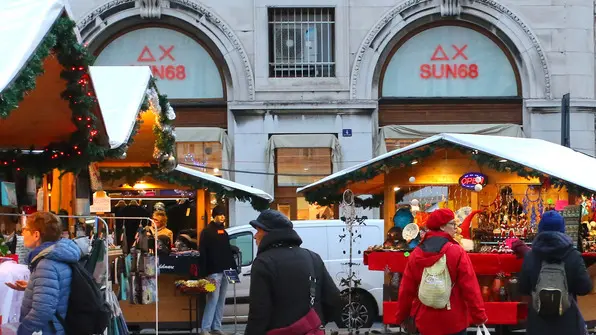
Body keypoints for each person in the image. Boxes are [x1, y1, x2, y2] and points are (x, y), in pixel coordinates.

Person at [244, 210, 342, 335]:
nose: (255, 235)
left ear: (269, 233)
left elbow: (259, 312)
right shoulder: (313, 257)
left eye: (258, 230)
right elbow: (333, 299)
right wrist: (314, 323)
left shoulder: (264, 262)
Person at [395, 208, 487, 335]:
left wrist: (402, 316)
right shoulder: (456, 251)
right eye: (453, 224)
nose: (456, 228)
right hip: (454, 320)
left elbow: (406, 289)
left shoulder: (416, 253)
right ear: (442, 226)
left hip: (425, 321)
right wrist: (479, 316)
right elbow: (470, 287)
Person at [6, 212, 82, 335]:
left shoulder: (46, 264)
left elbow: (43, 310)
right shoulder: (57, 257)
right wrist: (32, 286)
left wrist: (23, 330)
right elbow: (56, 290)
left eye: (25, 229)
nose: (22, 233)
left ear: (36, 234)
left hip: (48, 330)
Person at [519, 210, 592, 335]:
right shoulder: (573, 255)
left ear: (540, 228)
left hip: (538, 325)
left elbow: (523, 288)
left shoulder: (531, 256)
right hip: (568, 324)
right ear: (562, 229)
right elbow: (585, 288)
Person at [198, 205, 236, 335]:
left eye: (224, 214)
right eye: (220, 214)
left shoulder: (223, 232)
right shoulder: (207, 232)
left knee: (220, 299)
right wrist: (204, 273)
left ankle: (216, 327)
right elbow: (203, 253)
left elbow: (225, 251)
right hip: (213, 272)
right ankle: (206, 328)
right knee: (213, 299)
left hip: (224, 271)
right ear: (214, 216)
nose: (223, 217)